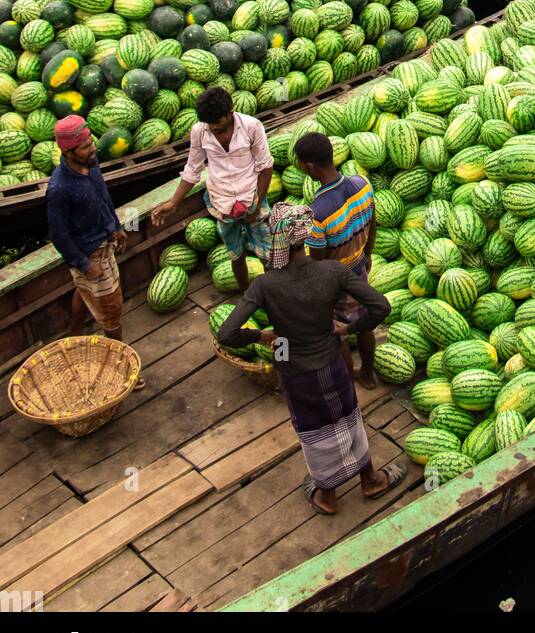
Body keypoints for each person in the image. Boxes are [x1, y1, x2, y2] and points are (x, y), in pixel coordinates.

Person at [216, 201, 404, 517]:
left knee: (314, 431)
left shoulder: (264, 285)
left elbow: (227, 334)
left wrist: (261, 336)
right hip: (332, 362)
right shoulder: (333, 271)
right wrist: (349, 329)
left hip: (295, 370)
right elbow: (381, 307)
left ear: (276, 239)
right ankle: (370, 480)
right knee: (348, 418)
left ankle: (327, 495)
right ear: (304, 238)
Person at [46, 117, 144, 387]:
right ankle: (124, 366)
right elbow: (58, 235)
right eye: (85, 147)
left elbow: (102, 195)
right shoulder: (59, 189)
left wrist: (115, 225)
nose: (93, 149)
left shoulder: (91, 164)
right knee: (111, 311)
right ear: (67, 152)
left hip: (104, 238)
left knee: (87, 292)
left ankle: (74, 331)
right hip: (87, 253)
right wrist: (84, 265)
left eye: (91, 142)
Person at [152, 86, 273, 293]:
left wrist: (256, 205)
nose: (216, 130)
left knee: (267, 254)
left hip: (252, 196)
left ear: (230, 112)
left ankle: (274, 293)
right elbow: (192, 170)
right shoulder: (200, 131)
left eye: (220, 125)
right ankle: (246, 294)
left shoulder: (252, 126)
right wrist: (174, 202)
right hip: (222, 201)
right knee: (236, 255)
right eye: (210, 126)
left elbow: (266, 167)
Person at [292, 132, 381, 388]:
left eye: (300, 163)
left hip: (336, 282)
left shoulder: (318, 214)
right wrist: (367, 254)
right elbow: (373, 223)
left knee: (337, 333)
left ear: (309, 166)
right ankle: (368, 374)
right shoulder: (362, 183)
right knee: (364, 325)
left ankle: (349, 376)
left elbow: (318, 262)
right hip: (359, 270)